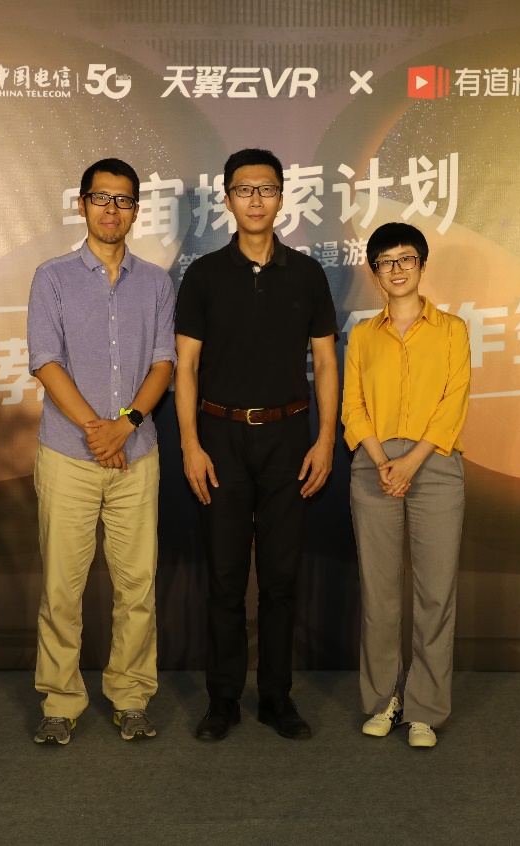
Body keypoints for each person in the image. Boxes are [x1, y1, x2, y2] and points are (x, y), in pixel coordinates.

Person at [175, 148, 339, 741]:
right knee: (224, 578)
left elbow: (326, 362)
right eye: (244, 190)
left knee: (280, 579)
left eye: (266, 189)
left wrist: (325, 439)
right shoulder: (203, 275)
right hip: (219, 438)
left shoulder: (307, 273)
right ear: (227, 199)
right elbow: (186, 367)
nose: (256, 200)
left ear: (281, 199)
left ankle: (276, 698)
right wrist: (191, 445)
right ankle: (222, 700)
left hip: (289, 437)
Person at [27, 158, 176, 745]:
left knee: (137, 587)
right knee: (62, 588)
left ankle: (131, 697)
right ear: (82, 204)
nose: (111, 210)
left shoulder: (156, 283)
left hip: (137, 455)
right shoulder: (53, 277)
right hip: (69, 455)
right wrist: (98, 430)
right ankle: (60, 702)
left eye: (123, 200)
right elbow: (46, 360)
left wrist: (126, 426)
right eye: (101, 198)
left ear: (136, 210)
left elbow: (163, 363)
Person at [341, 221, 470, 748]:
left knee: (435, 594)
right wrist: (381, 461)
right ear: (375, 272)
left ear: (421, 265)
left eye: (406, 259)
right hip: (374, 466)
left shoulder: (452, 329)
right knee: (380, 594)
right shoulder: (362, 335)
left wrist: (411, 462)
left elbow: (454, 400)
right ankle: (382, 701)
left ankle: (425, 710)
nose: (397, 269)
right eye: (386, 262)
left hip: (434, 465)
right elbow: (352, 407)